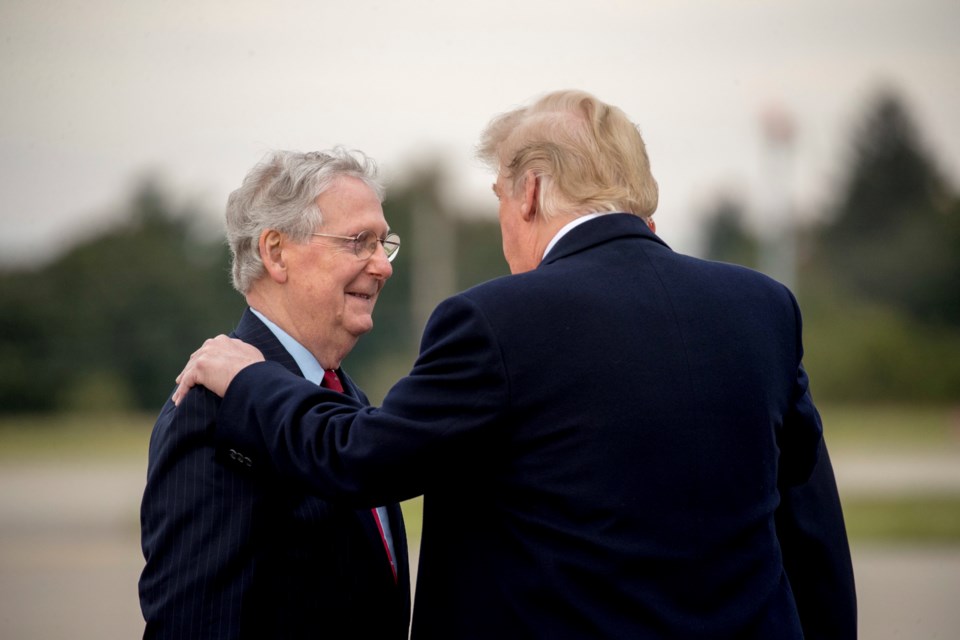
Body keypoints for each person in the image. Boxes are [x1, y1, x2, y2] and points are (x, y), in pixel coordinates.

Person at [172, 91, 856, 639]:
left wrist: (248, 378)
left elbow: (358, 458)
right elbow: (811, 524)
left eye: (498, 196)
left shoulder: (498, 321)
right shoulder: (763, 308)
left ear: (529, 192)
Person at [139, 148, 411, 639]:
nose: (382, 266)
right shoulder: (211, 410)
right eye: (358, 242)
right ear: (276, 252)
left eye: (382, 243)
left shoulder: (348, 399)